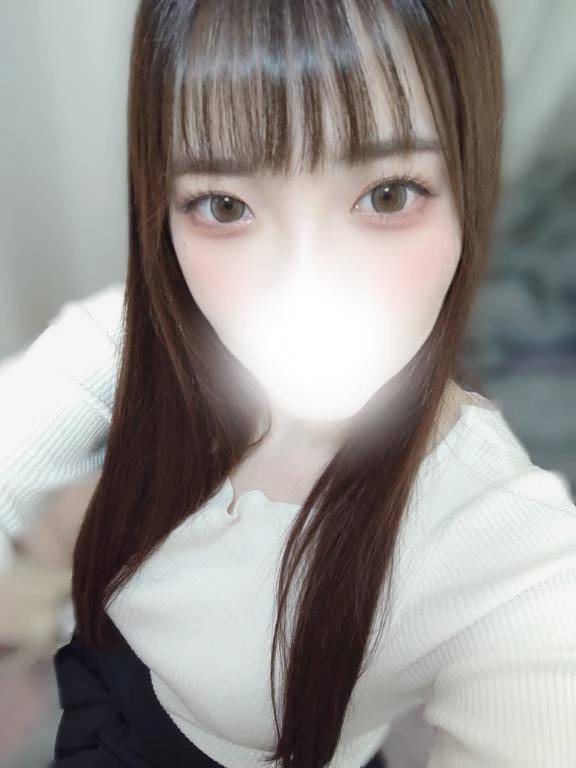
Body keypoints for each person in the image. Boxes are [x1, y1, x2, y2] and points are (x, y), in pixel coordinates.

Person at [1, 1, 575, 766]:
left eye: (388, 195)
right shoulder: (140, 332)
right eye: (225, 205)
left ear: (467, 186)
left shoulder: (504, 543)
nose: (304, 289)